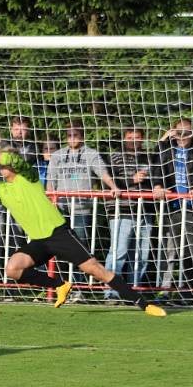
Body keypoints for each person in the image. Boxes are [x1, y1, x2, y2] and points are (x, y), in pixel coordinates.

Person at [0, 138, 165, 317]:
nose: (1, 164)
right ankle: (61, 285)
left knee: (96, 270)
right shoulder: (0, 189)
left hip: (59, 233)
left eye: (2, 160)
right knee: (13, 269)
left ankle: (144, 304)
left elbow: (12, 160)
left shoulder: (29, 176)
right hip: (40, 241)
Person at [46, 120, 121, 286]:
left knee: (79, 248)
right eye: (69, 135)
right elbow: (50, 180)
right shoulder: (58, 155)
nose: (72, 138)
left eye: (76, 135)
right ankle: (57, 284)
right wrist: (50, 201)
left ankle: (78, 286)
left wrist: (113, 186)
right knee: (56, 247)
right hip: (60, 208)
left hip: (81, 209)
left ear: (82, 136)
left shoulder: (91, 154)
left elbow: (102, 172)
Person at [152, 119, 193, 305]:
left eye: (186, 132)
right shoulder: (167, 150)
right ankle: (175, 293)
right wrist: (157, 185)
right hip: (173, 207)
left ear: (192, 134)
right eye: (178, 132)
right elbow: (155, 163)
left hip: (192, 207)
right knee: (174, 253)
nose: (182, 136)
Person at [103, 127, 154, 300]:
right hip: (122, 211)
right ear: (124, 138)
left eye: (137, 137)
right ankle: (111, 292)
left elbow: (156, 179)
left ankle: (135, 292)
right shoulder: (115, 157)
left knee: (141, 255)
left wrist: (157, 187)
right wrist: (132, 180)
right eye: (130, 137)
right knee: (118, 252)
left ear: (142, 139)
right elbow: (110, 181)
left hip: (145, 211)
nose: (134, 140)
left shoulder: (148, 157)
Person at [0, 116, 37, 283]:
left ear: (28, 130)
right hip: (0, 195)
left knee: (18, 231)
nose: (19, 131)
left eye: (22, 128)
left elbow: (24, 165)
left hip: (20, 197)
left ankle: (17, 270)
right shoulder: (3, 146)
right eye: (16, 128)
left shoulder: (33, 148)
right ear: (11, 129)